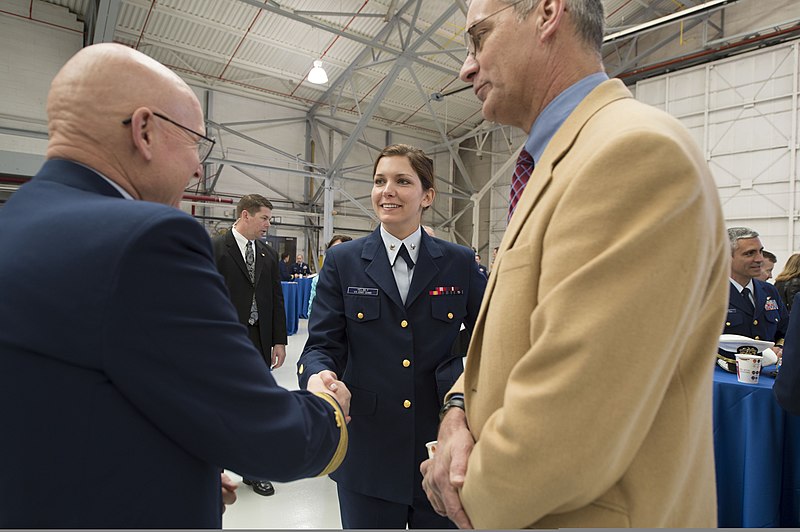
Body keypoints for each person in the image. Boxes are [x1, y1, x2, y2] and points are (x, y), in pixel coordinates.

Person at [0, 43, 350, 528]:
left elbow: (70, 404)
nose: (198, 168)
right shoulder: (146, 240)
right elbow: (271, 437)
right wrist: (328, 408)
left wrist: (168, 466)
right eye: (194, 142)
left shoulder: (14, 223)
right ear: (144, 131)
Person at [420, 0, 729, 528]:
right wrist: (456, 414)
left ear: (546, 12)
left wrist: (459, 488)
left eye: (479, 38)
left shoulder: (632, 153)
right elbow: (507, 340)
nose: (465, 67)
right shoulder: (559, 161)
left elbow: (571, 427)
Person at [298, 144, 487, 529]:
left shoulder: (458, 262)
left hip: (439, 449)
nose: (388, 190)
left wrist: (465, 401)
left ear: (427, 196)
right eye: (380, 181)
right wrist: (318, 377)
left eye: (402, 181)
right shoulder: (343, 262)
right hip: (368, 452)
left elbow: (491, 337)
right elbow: (321, 345)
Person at [212, 194, 288, 497]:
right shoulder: (216, 248)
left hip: (258, 339)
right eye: (264, 218)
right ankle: (213, 470)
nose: (268, 224)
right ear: (246, 215)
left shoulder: (268, 255)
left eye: (269, 218)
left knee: (255, 407)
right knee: (216, 405)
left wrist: (279, 340)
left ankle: (252, 470)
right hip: (223, 342)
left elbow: (276, 299)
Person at [717, 228, 787, 372]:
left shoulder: (769, 291)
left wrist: (779, 349)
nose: (759, 259)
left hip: (765, 375)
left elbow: (785, 330)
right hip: (722, 377)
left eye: (760, 251)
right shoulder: (709, 294)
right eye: (750, 253)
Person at [307, 234, 353, 319]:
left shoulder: (357, 280)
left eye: (339, 250)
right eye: (331, 250)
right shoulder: (317, 280)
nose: (334, 253)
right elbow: (312, 310)